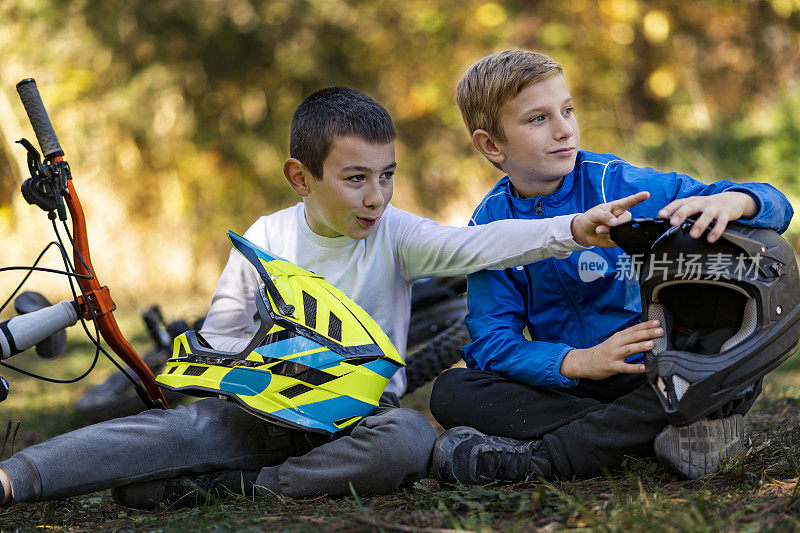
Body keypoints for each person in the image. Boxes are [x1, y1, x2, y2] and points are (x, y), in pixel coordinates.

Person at [0, 87, 647, 509]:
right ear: (301, 178)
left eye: (387, 176)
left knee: (407, 438)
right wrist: (231, 365)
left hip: (356, 420)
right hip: (263, 409)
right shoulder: (268, 236)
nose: (376, 196)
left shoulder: (397, 234)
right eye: (356, 178)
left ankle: (239, 488)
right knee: (180, 428)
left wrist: (567, 228)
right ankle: (15, 479)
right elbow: (224, 332)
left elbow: (478, 244)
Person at [429, 50, 794, 484]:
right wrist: (577, 362)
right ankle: (659, 430)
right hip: (574, 380)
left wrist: (736, 201)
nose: (564, 129)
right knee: (452, 393)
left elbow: (775, 202)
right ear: (492, 144)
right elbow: (492, 342)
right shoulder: (489, 227)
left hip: (656, 368)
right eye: (538, 119)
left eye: (567, 110)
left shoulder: (616, 184)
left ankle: (545, 459)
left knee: (716, 356)